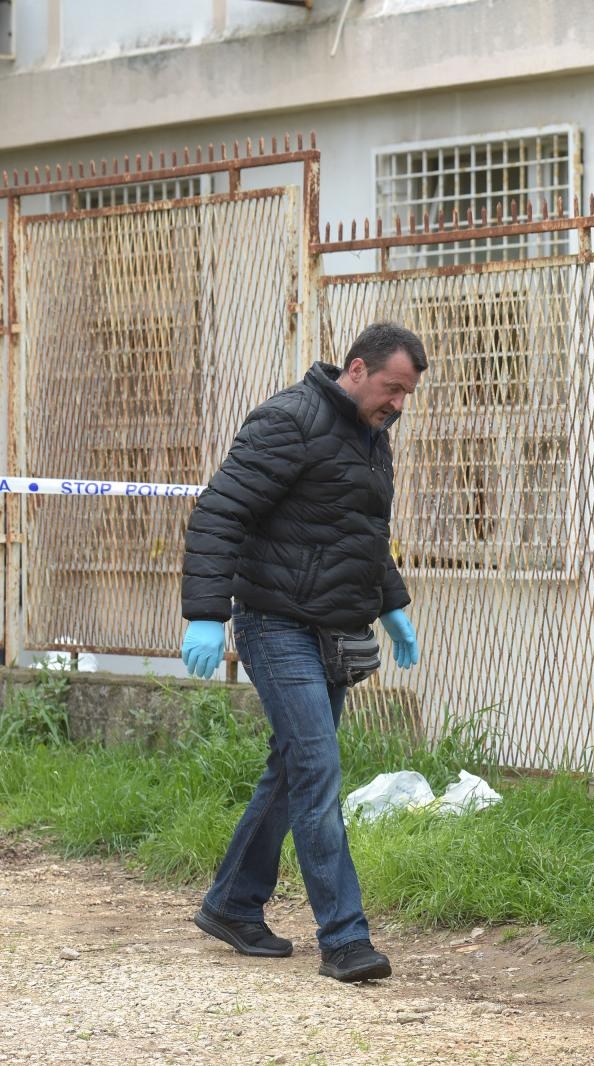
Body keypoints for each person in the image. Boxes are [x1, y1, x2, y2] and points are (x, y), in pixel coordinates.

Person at [178, 322, 426, 981]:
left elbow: (359, 534)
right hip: (276, 623)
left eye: (407, 393)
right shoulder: (289, 420)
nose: (399, 402)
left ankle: (233, 903)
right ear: (356, 369)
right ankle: (345, 939)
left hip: (335, 630)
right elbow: (220, 511)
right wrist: (206, 614)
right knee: (317, 769)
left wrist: (391, 605)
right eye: (392, 387)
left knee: (292, 774)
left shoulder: (372, 435)